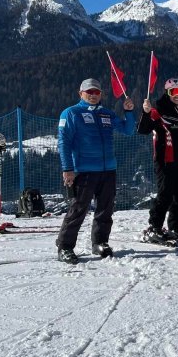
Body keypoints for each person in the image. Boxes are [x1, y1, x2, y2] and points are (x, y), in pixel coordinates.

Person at [56, 78, 135, 263]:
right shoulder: (71, 113)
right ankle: (65, 247)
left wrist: (129, 112)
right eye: (89, 92)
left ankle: (100, 242)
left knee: (105, 210)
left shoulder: (106, 114)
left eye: (96, 92)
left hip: (108, 170)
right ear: (80, 93)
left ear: (101, 94)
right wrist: (67, 168)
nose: (93, 95)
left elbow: (128, 130)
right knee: (78, 210)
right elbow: (63, 142)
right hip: (83, 171)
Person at [138, 78, 178, 244]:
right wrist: (145, 112)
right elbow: (143, 130)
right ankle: (154, 228)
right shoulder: (159, 109)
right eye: (174, 92)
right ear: (167, 93)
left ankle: (176, 227)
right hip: (165, 160)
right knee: (165, 195)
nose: (177, 95)